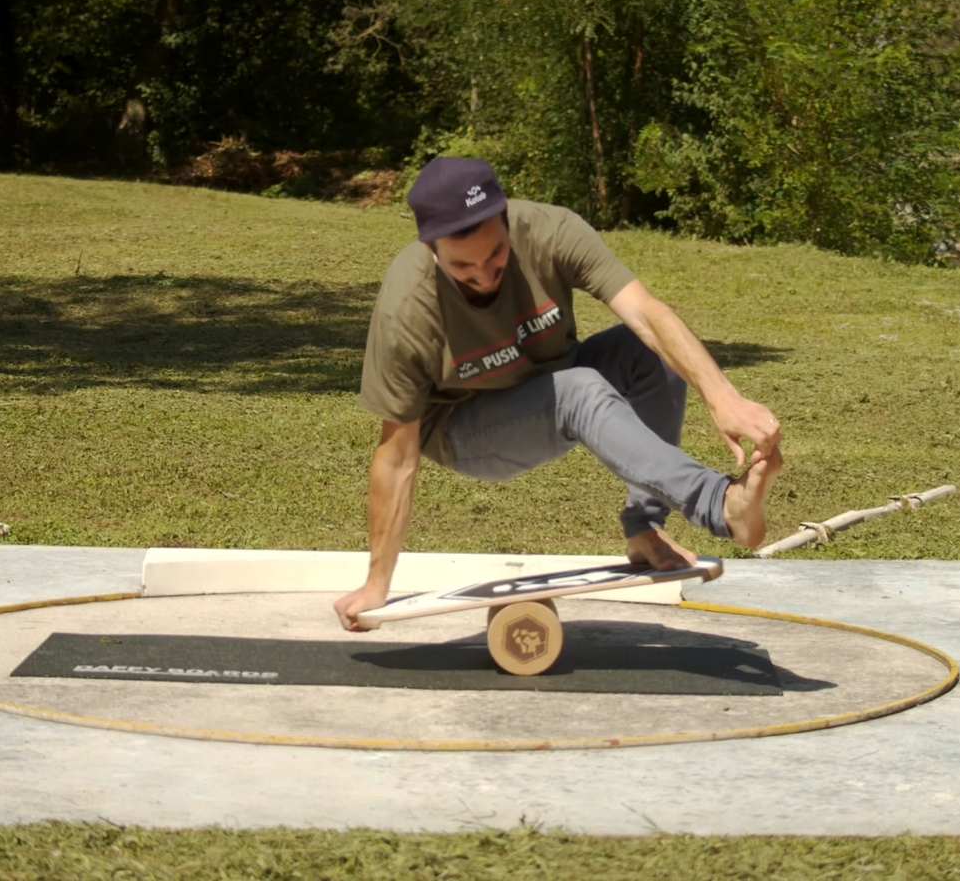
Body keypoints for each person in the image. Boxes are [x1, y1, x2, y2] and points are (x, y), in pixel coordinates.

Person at [332, 156, 783, 631]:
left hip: (551, 379)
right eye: (464, 265)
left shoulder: (550, 231)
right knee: (578, 390)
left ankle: (646, 526)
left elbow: (647, 314)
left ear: (507, 220)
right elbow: (397, 456)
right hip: (463, 427)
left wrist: (723, 397)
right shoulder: (407, 307)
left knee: (649, 351)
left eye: (496, 256)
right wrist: (376, 583)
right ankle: (721, 503)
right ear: (431, 248)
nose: (485, 275)